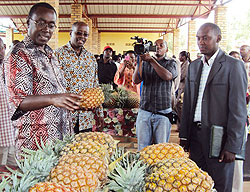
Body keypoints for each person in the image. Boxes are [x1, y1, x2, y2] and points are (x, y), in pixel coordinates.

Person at [4, 3, 82, 153]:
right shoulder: (19, 54)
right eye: (41, 23)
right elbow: (18, 101)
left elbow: (56, 89)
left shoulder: (49, 53)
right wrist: (54, 99)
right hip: (35, 144)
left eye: (51, 25)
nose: (46, 29)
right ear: (28, 22)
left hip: (60, 138)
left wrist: (70, 99)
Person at [179, 23, 247, 192]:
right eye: (198, 38)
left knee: (220, 185)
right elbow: (188, 104)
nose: (201, 42)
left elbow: (238, 110)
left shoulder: (233, 66)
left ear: (218, 38)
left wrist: (232, 146)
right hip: (195, 137)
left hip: (219, 138)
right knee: (196, 184)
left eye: (206, 38)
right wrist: (185, 136)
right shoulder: (194, 66)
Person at [55, 21, 103, 133]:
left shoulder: (90, 58)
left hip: (85, 118)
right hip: (63, 116)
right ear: (71, 33)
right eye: (79, 33)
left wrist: (99, 113)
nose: (82, 37)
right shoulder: (57, 55)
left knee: (83, 148)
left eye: (85, 34)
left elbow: (95, 86)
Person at [133, 39, 178, 151]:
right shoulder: (146, 63)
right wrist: (139, 61)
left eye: (161, 45)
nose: (158, 47)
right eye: (156, 45)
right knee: (142, 148)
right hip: (145, 110)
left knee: (160, 149)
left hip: (162, 112)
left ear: (166, 49)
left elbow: (167, 76)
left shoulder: (171, 63)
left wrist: (152, 61)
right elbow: (136, 80)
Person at [0, 37, 16, 167]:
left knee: (14, 173)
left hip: (13, 135)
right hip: (1, 137)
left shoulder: (11, 69)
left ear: (4, 47)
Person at [175, 51, 191, 130]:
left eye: (180, 56)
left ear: (184, 57)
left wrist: (175, 77)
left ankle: (184, 125)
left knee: (179, 105)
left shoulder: (187, 65)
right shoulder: (182, 64)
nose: (179, 58)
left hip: (184, 88)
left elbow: (182, 76)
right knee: (178, 106)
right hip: (180, 87)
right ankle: (181, 126)